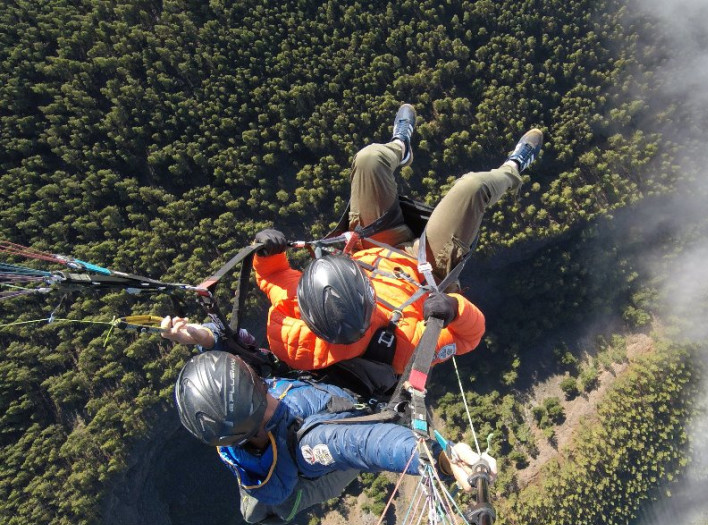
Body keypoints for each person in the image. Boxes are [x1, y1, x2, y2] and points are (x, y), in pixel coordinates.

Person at [162, 105, 543, 384]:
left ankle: (400, 146)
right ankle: (512, 170)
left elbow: (277, 278)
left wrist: (267, 251)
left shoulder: (296, 324)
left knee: (369, 159)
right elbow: (468, 338)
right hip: (426, 269)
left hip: (372, 244)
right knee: (472, 188)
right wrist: (455, 307)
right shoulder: (403, 348)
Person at [174, 351, 497, 525]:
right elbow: (366, 445)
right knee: (354, 447)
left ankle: (262, 496)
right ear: (258, 393)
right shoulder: (311, 442)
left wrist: (208, 336)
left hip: (286, 444)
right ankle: (268, 502)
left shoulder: (235, 422)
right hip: (324, 469)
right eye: (257, 379)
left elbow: (238, 372)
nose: (262, 377)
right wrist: (439, 457)